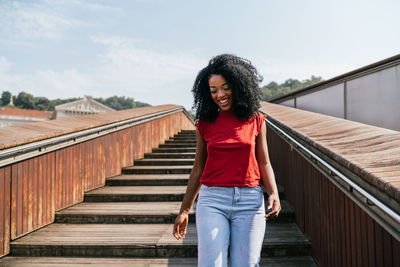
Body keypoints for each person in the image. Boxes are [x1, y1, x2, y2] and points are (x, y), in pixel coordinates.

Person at [172, 54, 281, 267]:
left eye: (225, 87)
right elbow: (198, 167)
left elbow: (264, 161)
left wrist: (274, 193)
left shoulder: (256, 120)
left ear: (239, 85)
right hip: (213, 200)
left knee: (247, 264)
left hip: (250, 201)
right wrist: (184, 210)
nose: (220, 95)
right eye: (213, 91)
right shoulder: (204, 122)